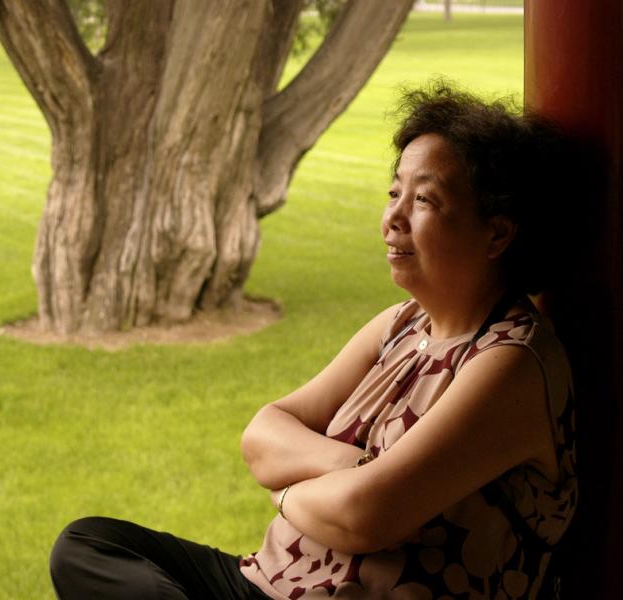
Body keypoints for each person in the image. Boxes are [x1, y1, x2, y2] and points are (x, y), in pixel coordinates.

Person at [48, 83, 577, 599]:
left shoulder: (512, 361)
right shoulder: (401, 325)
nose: (393, 218)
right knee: (87, 544)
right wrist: (349, 467)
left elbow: (367, 515)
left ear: (498, 233)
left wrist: (289, 492)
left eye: (424, 201)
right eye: (395, 193)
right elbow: (262, 436)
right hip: (266, 582)